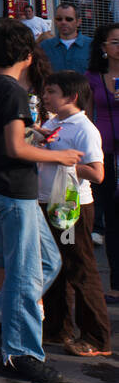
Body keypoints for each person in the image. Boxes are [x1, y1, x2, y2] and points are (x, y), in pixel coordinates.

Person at [0, 19, 80, 383]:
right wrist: (60, 157)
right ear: (27, 53)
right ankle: (21, 354)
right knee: (26, 273)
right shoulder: (14, 91)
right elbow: (15, 147)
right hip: (12, 187)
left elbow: (3, 136)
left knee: (47, 262)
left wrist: (33, 135)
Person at [37, 71, 110, 356]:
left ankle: (96, 337)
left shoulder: (84, 128)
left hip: (71, 205)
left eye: (51, 91)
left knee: (79, 268)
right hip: (47, 201)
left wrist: (59, 161)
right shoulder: (52, 123)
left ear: (72, 96)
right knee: (55, 267)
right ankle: (58, 329)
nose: (45, 96)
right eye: (45, 91)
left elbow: (97, 172)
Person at [85, 24, 119, 302]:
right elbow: (83, 115)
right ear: (103, 48)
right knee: (110, 217)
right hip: (104, 152)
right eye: (115, 42)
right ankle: (116, 283)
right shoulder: (93, 77)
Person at [41, 4, 92, 74]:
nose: (63, 22)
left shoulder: (92, 45)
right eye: (59, 19)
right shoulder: (44, 46)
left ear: (78, 22)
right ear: (55, 21)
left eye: (69, 19)